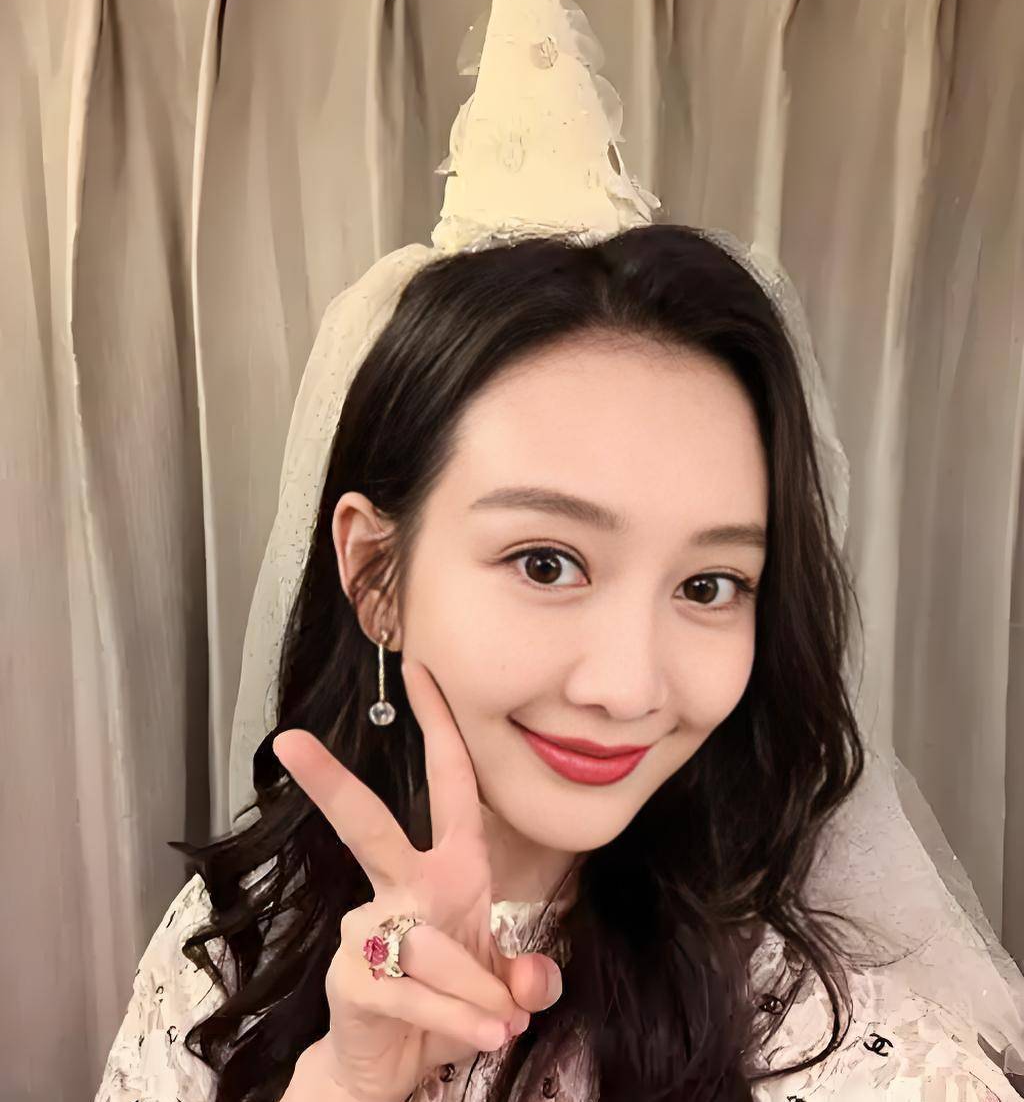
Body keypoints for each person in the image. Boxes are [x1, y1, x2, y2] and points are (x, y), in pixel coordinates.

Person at [94, 225, 1024, 1102]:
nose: (627, 687)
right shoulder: (236, 948)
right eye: (546, 563)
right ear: (377, 575)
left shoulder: (845, 1051)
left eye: (708, 585)